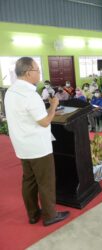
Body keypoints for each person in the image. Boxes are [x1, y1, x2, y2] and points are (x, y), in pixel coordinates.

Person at [4, 57, 69, 226]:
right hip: (38, 147)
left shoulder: (10, 91)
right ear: (28, 73)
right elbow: (45, 121)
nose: (40, 73)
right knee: (46, 182)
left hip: (21, 145)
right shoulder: (30, 95)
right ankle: (50, 216)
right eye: (37, 70)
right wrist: (53, 105)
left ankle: (33, 214)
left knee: (29, 180)